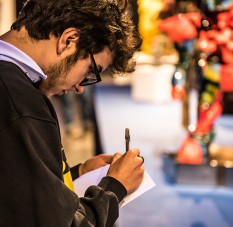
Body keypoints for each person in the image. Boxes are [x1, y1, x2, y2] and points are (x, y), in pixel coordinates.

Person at [0, 0, 144, 226]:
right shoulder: (22, 104)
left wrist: (79, 173)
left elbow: (15, 188)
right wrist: (115, 187)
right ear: (69, 40)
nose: (79, 88)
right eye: (91, 71)